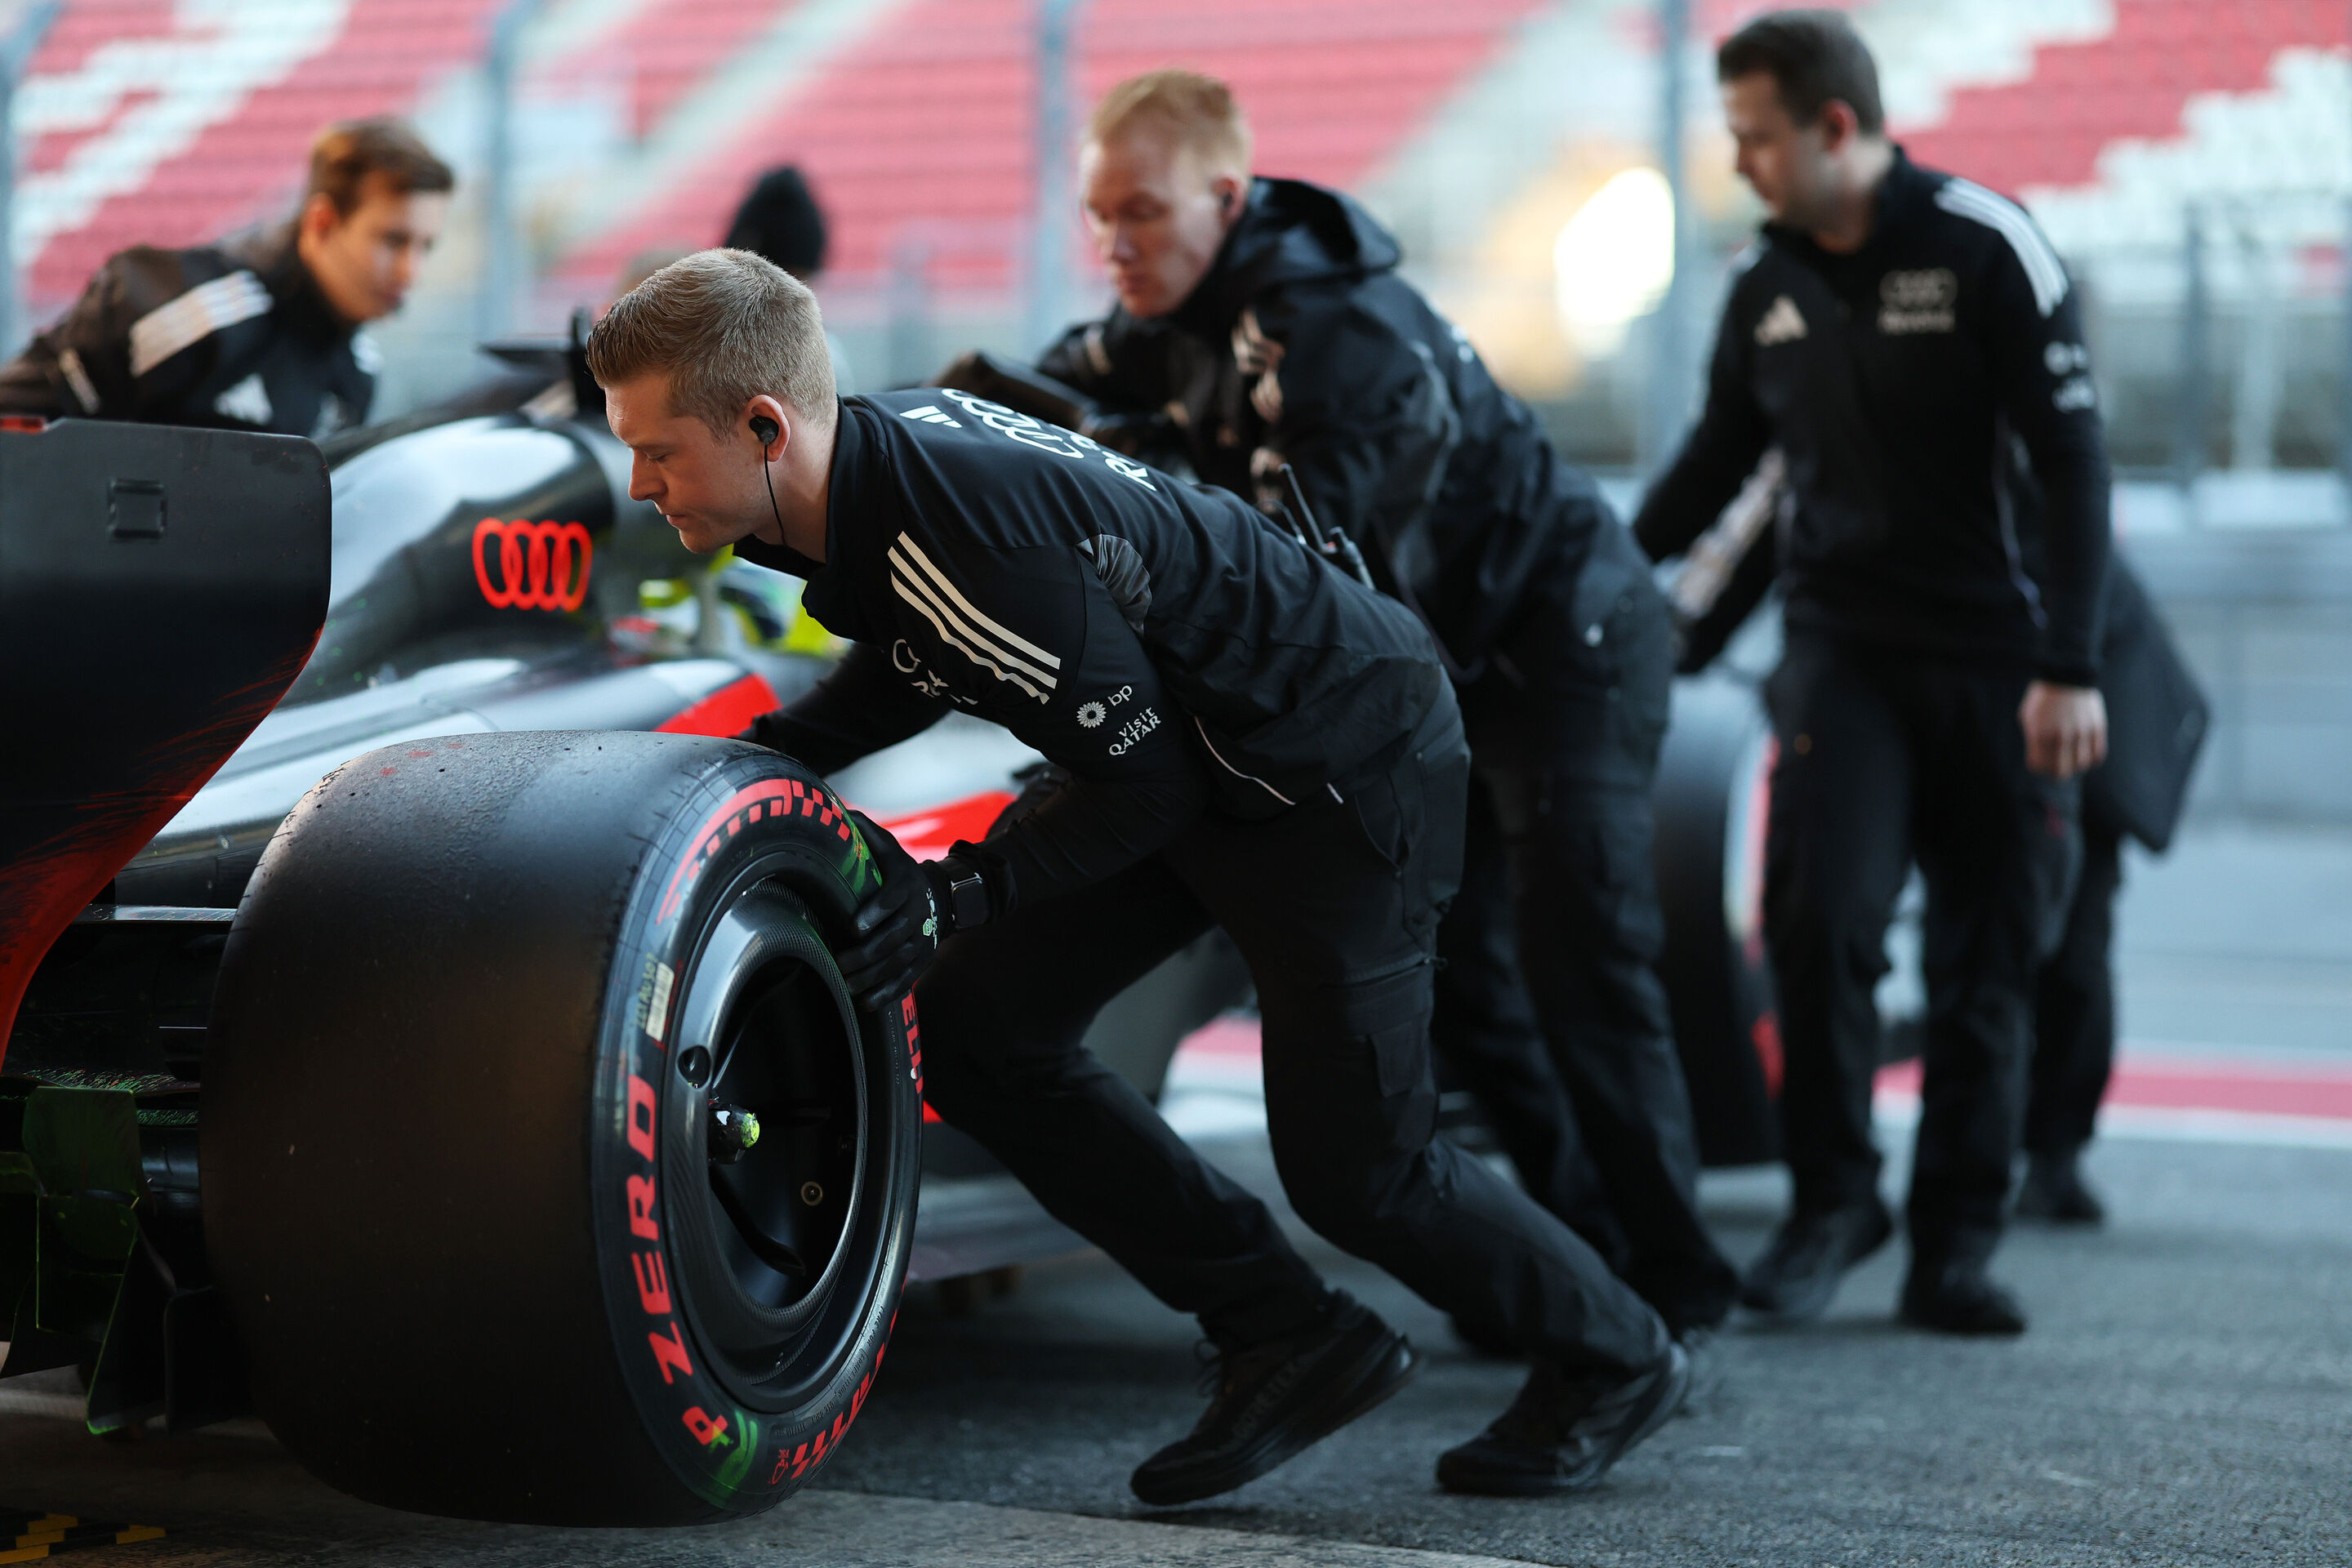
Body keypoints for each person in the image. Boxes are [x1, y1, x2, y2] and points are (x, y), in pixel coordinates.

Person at [588, 248, 1689, 1503]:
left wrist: (957, 891)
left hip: (1342, 765)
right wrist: (778, 754)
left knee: (1360, 1171)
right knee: (977, 1031)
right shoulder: (871, 472)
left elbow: (1137, 779)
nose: (641, 483)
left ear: (765, 425)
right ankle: (1287, 1329)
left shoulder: (948, 532)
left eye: (659, 450)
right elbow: (933, 647)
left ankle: (1619, 1354)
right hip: (1200, 749)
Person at [1035, 69, 1741, 1361]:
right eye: (1099, 218)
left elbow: (1308, 586)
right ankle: (1579, 1264)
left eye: (1139, 213)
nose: (1115, 245)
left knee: (1581, 951)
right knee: (1460, 978)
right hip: (1446, 670)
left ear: (1227, 199)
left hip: (1568, 642)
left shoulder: (1341, 329)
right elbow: (1038, 393)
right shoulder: (1178, 312)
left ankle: (1677, 1285)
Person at [1635, 11, 2112, 1335]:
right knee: (1817, 928)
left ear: (1834, 129)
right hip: (1841, 657)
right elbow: (1710, 472)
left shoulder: (1986, 244)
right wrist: (1597, 588)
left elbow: (2076, 465)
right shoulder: (1765, 285)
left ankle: (1955, 1244)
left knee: (1987, 957)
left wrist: (2070, 665)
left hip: (2005, 667)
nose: (1740, 165)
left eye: (1755, 140)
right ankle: (1833, 1200)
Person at [0, 117, 451, 436]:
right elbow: (17, 418)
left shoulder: (357, 374)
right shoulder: (190, 309)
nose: (412, 271)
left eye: (426, 247)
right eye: (394, 241)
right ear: (323, 223)